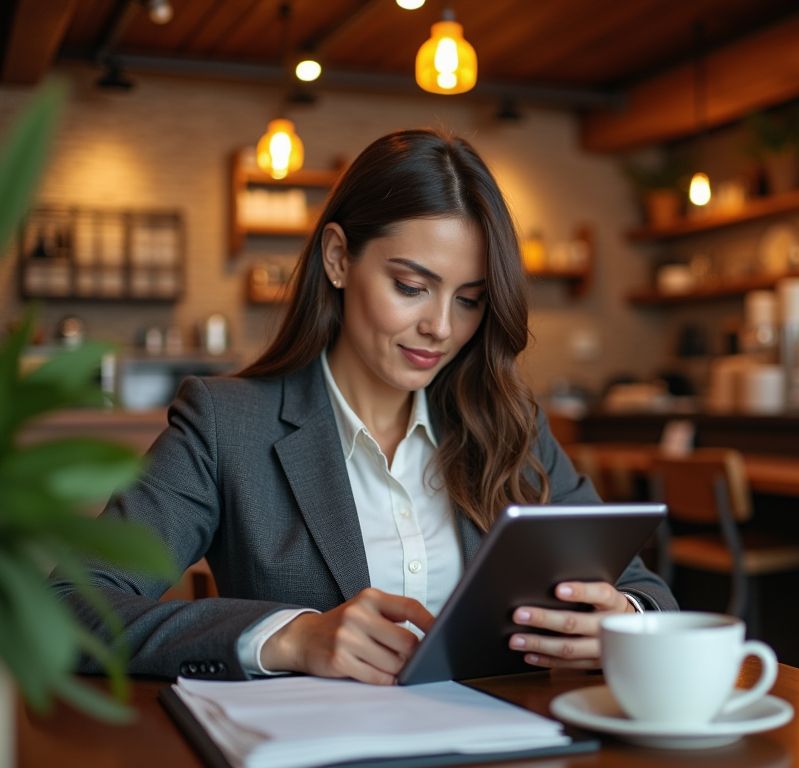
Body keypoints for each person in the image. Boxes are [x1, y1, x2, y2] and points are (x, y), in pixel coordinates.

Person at [56, 128, 676, 685]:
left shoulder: (508, 421)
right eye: (411, 286)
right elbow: (71, 605)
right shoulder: (226, 425)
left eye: (470, 300)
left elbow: (644, 591)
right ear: (337, 259)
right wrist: (288, 637)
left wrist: (621, 620)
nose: (440, 326)